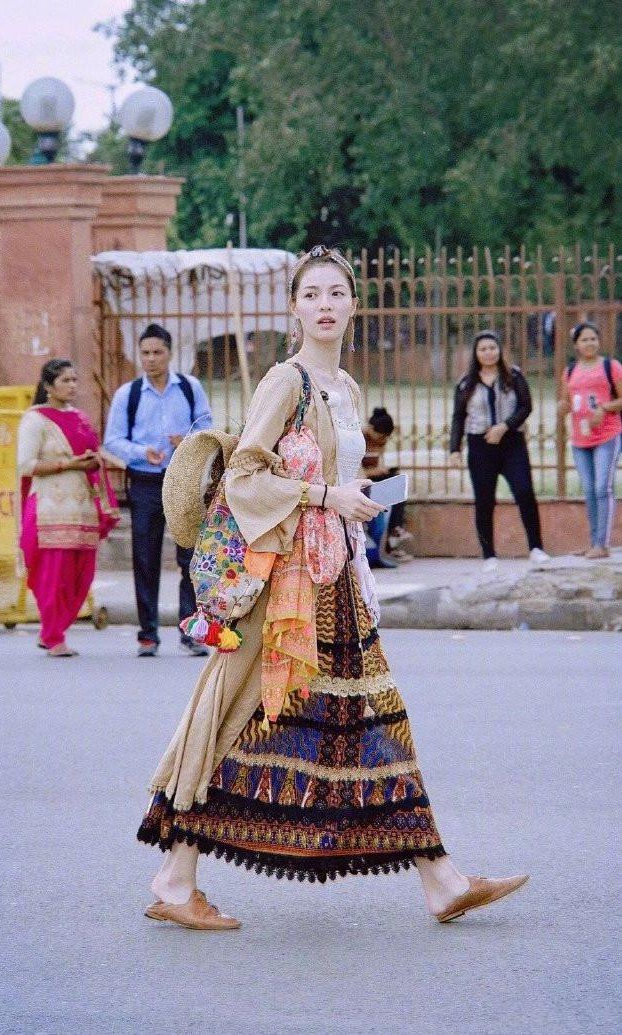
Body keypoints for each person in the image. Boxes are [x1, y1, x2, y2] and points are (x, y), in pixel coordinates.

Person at [137, 246, 528, 931]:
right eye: (311, 293)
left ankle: (441, 879)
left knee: (378, 723)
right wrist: (325, 494)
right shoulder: (284, 383)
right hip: (286, 588)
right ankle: (174, 877)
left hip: (339, 578)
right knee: (237, 719)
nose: (324, 304)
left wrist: (356, 496)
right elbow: (245, 478)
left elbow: (336, 485)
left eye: (335, 293)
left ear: (353, 304)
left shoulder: (344, 388)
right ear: (294, 308)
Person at [104, 324, 213, 657]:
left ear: (169, 353)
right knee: (145, 558)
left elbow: (208, 428)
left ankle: (190, 631)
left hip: (183, 481)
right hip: (146, 483)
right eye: (145, 353)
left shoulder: (190, 388)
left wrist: (190, 441)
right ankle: (148, 633)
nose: (150, 359)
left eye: (157, 353)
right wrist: (141, 452)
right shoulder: (129, 394)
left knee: (190, 558)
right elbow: (113, 440)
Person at [17, 360, 119, 657]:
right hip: (51, 509)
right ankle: (52, 636)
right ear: (48, 386)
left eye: (75, 379)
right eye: (65, 380)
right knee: (54, 576)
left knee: (81, 575)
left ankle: (54, 630)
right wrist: (70, 464)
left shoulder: (80, 418)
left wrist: (95, 461)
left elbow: (94, 454)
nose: (73, 385)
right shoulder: (35, 420)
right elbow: (25, 465)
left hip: (83, 508)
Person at [449, 331, 550, 572]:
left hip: (512, 443)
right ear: (476, 353)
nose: (488, 353)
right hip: (479, 446)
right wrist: (455, 448)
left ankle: (536, 548)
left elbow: (527, 406)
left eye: (492, 348)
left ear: (499, 350)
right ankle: (489, 555)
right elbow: (458, 417)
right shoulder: (466, 383)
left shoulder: (513, 376)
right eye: (483, 349)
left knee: (525, 492)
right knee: (484, 500)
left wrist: (505, 426)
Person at [557, 321, 622, 559]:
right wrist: (561, 407)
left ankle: (602, 544)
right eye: (584, 340)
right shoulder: (570, 371)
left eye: (593, 338)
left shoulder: (611, 367)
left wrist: (604, 408)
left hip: (607, 434)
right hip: (580, 439)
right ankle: (594, 540)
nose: (590, 343)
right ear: (576, 345)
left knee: (601, 487)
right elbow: (565, 401)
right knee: (589, 490)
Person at [361, 406, 413, 566]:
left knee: (397, 484)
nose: (382, 441)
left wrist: (381, 471)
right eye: (381, 436)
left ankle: (395, 531)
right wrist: (376, 471)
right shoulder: (359, 437)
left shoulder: (379, 441)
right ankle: (391, 537)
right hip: (361, 481)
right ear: (371, 429)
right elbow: (360, 472)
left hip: (373, 479)